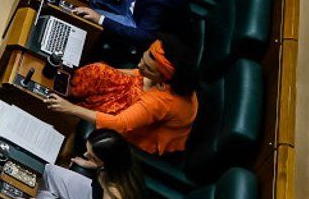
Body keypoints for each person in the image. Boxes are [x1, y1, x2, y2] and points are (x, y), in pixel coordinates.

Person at [48, 38, 199, 157]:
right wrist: (105, 72)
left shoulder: (160, 102)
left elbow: (119, 123)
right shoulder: (165, 75)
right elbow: (137, 74)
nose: (140, 66)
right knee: (101, 72)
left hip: (145, 135)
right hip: (146, 103)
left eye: (147, 68)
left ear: (163, 79)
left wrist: (71, 108)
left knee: (104, 107)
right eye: (143, 59)